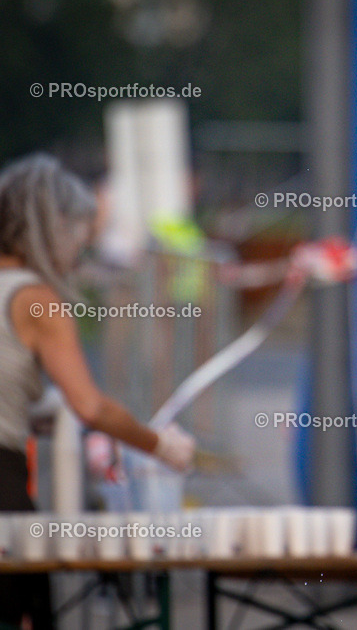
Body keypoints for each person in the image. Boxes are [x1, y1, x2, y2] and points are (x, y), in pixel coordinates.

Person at [0, 154, 195, 630]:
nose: (77, 255)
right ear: (53, 229)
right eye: (76, 240)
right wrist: (160, 444)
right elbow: (89, 404)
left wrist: (34, 407)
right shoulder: (35, 299)